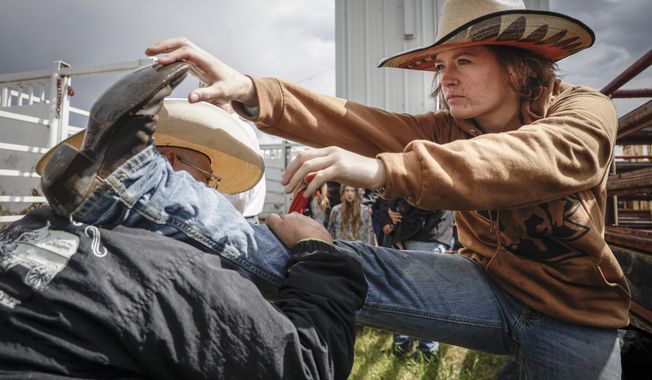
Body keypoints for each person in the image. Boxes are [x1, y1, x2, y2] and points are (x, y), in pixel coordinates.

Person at [40, 0, 630, 377]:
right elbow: (356, 121)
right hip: (486, 286)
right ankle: (131, 190)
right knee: (321, 258)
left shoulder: (584, 111)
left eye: (465, 60)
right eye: (440, 63)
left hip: (576, 316)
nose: (445, 77)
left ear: (519, 63)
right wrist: (251, 88)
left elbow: (553, 158)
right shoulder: (447, 128)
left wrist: (385, 170)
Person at [0, 63, 368, 380]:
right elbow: (306, 365)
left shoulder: (31, 228)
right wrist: (318, 252)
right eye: (206, 180)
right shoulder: (173, 272)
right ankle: (137, 182)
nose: (213, 193)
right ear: (170, 165)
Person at [379, 198, 455, 360]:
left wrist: (399, 223)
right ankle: (402, 345)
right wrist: (391, 216)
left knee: (426, 299)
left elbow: (426, 200)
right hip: (412, 235)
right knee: (402, 296)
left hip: (427, 235)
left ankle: (427, 351)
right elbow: (387, 199)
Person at [220, 102, 268, 224]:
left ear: (232, 104)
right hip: (240, 215)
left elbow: (240, 190)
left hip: (236, 217)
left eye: (216, 102)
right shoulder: (239, 128)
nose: (210, 105)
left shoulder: (236, 129)